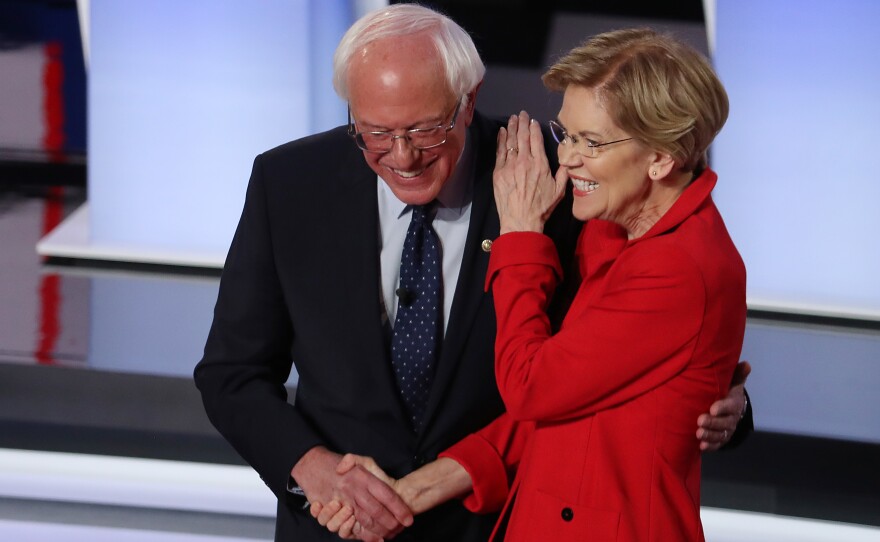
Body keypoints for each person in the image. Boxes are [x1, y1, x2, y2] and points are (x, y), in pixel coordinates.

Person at [194, 6, 750, 541]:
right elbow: (232, 374)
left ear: (468, 100)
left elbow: (621, 351)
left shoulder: (558, 188)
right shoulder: (289, 182)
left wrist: (719, 399)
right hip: (333, 528)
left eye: (425, 130)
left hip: (487, 524)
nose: (402, 156)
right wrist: (310, 471)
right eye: (375, 133)